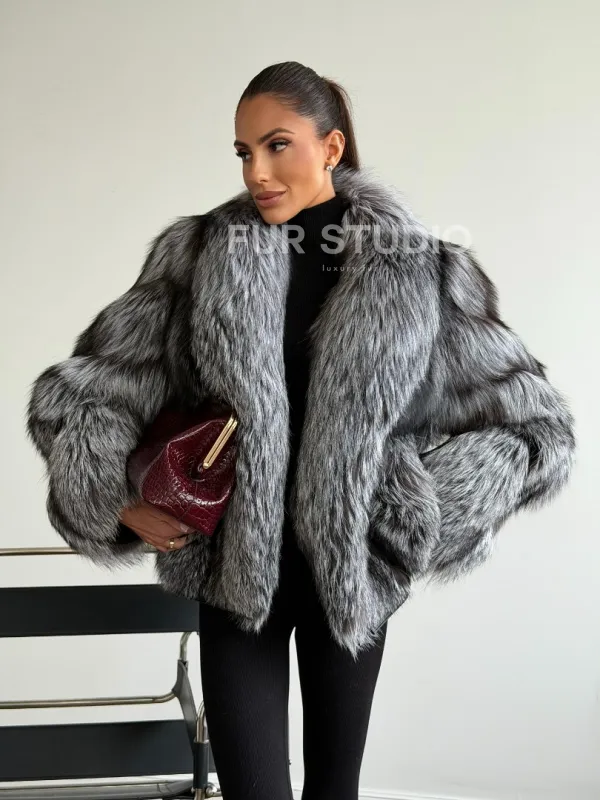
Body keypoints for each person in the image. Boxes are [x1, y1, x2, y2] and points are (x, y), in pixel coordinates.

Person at [25, 61, 576, 799]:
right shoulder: (198, 257)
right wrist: (116, 499)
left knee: (334, 793)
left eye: (277, 144)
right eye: (243, 151)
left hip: (352, 582)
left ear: (331, 147)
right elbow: (83, 393)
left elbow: (534, 427)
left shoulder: (422, 270)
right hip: (234, 578)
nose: (257, 170)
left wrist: (415, 512)